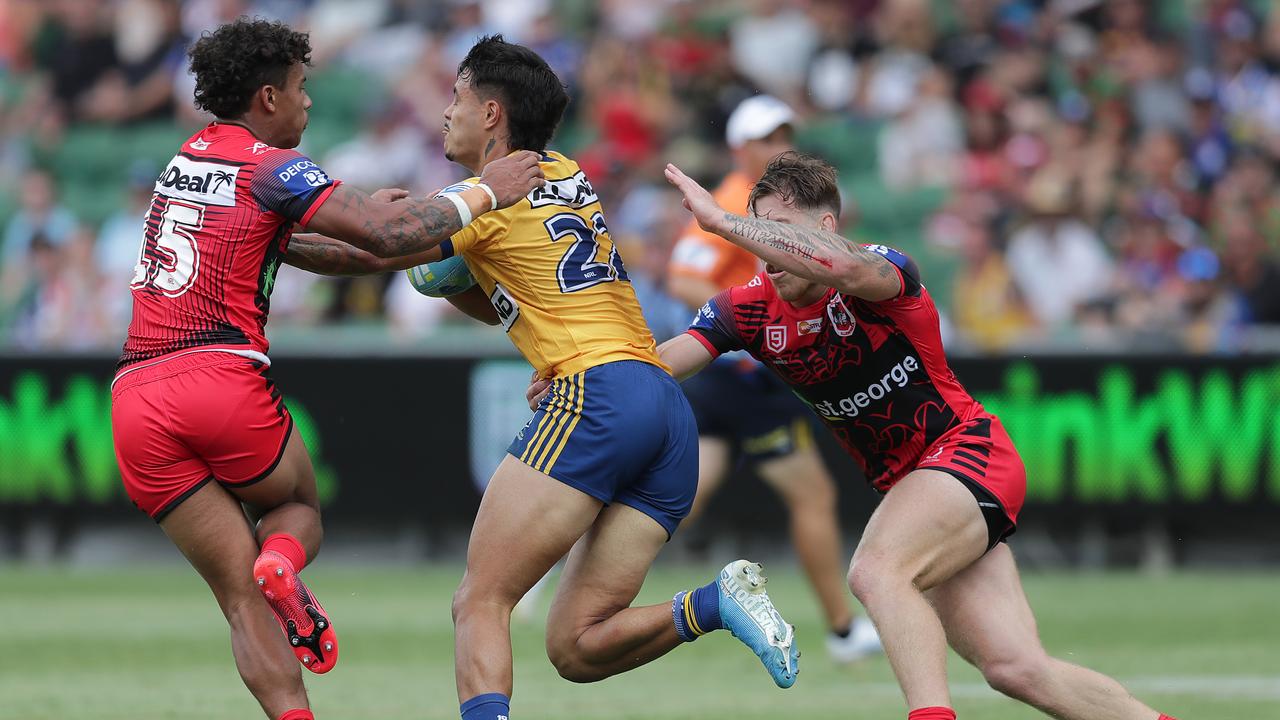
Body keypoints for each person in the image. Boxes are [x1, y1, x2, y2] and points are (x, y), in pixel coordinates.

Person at [287, 35, 801, 720]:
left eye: (457, 97)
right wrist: (450, 279)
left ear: (492, 112)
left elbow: (360, 253)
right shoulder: (564, 172)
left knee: (479, 600)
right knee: (576, 647)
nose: (446, 113)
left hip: (599, 396)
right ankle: (712, 604)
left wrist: (260, 234)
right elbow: (517, 287)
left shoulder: (482, 197)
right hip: (662, 404)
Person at [564, 151, 1179, 720]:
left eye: (777, 228)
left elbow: (850, 267)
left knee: (877, 571)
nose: (762, 245)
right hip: (921, 487)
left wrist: (725, 222)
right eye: (757, 229)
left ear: (825, 226)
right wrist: (583, 376)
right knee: (1016, 668)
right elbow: (669, 360)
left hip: (966, 453)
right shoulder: (750, 306)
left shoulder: (878, 271)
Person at [109, 19, 543, 720]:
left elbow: (337, 249)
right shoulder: (271, 166)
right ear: (268, 98)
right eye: (302, 89)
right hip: (216, 374)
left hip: (134, 396)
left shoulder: (185, 160)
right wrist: (483, 192)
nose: (310, 103)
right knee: (296, 510)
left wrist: (399, 225)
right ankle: (282, 558)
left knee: (237, 598)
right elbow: (380, 235)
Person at [667, 94, 880, 662]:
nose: (778, 145)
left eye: (784, 133)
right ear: (740, 148)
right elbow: (684, 277)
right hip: (744, 374)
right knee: (812, 494)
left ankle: (575, 539)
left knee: (682, 499)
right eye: (765, 138)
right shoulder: (738, 199)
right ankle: (841, 630)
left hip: (732, 373)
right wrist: (744, 328)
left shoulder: (766, 200)